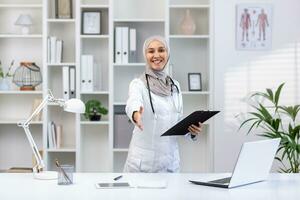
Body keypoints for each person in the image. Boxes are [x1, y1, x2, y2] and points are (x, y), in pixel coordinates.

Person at [123, 36, 203, 173]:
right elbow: (133, 102)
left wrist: (191, 131)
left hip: (170, 162)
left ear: (168, 54)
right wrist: (135, 114)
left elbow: (177, 121)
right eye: (151, 51)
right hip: (143, 164)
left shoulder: (175, 86)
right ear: (145, 55)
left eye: (161, 50)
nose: (156, 55)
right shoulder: (138, 84)